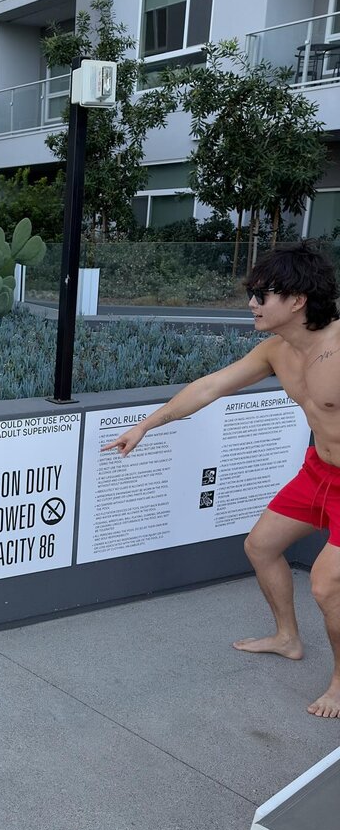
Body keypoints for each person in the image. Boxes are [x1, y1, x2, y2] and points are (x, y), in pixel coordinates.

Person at [104, 241, 340, 718]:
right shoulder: (276, 350)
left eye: (262, 295)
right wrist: (147, 425)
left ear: (298, 300)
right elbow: (210, 386)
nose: (251, 303)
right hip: (319, 471)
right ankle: (288, 638)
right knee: (261, 546)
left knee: (325, 585)